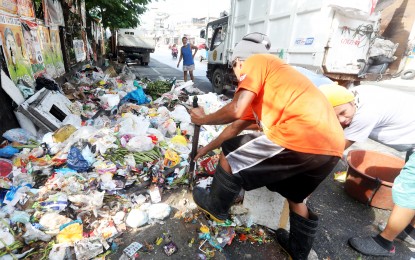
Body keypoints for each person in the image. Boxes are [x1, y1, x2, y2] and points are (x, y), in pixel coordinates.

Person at [190, 32, 345, 260]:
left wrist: (201, 119)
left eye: (234, 67)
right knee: (295, 196)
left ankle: (215, 207)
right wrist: (205, 149)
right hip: (331, 148)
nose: (236, 74)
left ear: (239, 61)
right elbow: (234, 126)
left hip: (300, 136)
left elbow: (234, 110)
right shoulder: (276, 90)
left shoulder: (258, 61)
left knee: (232, 150)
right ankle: (297, 251)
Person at [319, 84, 415, 257]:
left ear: (351, 103)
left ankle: (384, 243)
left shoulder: (367, 113)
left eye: (343, 113)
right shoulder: (352, 94)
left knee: (407, 190)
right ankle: (412, 230)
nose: (342, 120)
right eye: (335, 117)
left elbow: (333, 152)